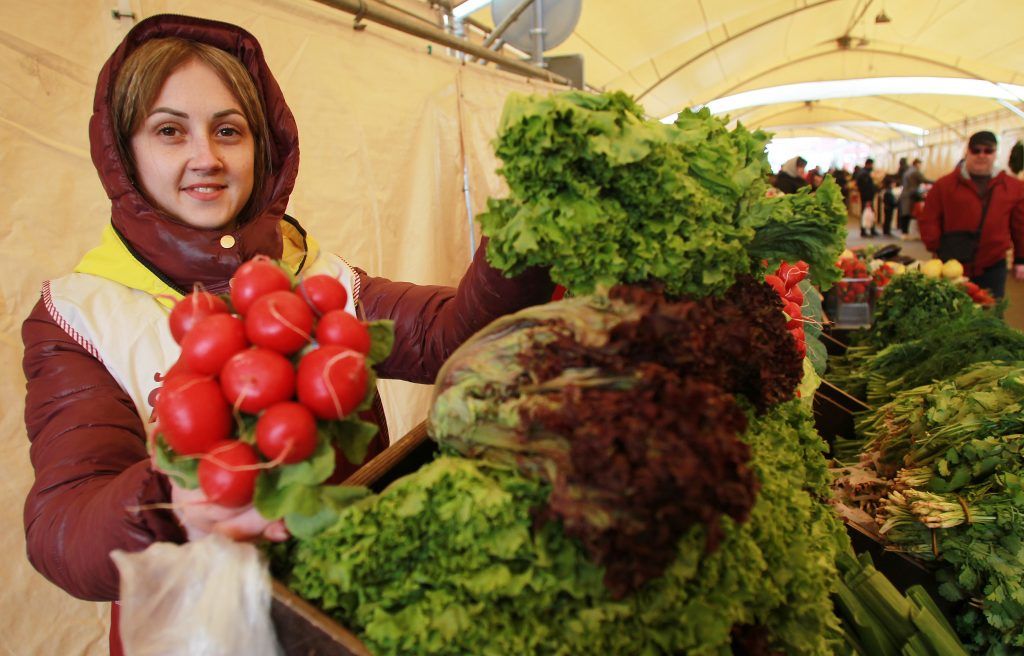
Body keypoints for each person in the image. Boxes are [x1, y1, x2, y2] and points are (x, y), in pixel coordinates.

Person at [21, 14, 554, 654]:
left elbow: (452, 334)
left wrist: (528, 232)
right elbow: (61, 524)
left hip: (346, 610)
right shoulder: (81, 313)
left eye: (228, 131)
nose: (206, 159)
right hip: (195, 635)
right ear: (123, 153)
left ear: (262, 146)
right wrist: (169, 501)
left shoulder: (317, 275)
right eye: (169, 131)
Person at [919, 130, 1024, 298]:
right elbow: (929, 219)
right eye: (976, 150)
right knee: (952, 313)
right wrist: (936, 246)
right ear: (967, 152)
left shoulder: (1013, 188)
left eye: (988, 150)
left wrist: (1020, 259)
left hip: (993, 263)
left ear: (995, 153)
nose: (982, 155)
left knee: (992, 314)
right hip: (952, 264)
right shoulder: (944, 185)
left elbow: (1020, 226)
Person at [898, 158, 929, 235]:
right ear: (916, 164)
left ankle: (905, 232)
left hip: (905, 194)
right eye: (919, 164)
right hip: (911, 195)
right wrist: (937, 182)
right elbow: (924, 180)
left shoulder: (907, 171)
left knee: (905, 213)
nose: (920, 166)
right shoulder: (915, 172)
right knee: (908, 214)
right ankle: (906, 232)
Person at [855, 158, 878, 237]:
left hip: (866, 196)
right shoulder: (865, 174)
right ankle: (866, 230)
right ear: (869, 164)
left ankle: (869, 229)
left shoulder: (863, 173)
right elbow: (866, 186)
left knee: (867, 213)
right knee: (867, 213)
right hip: (867, 197)